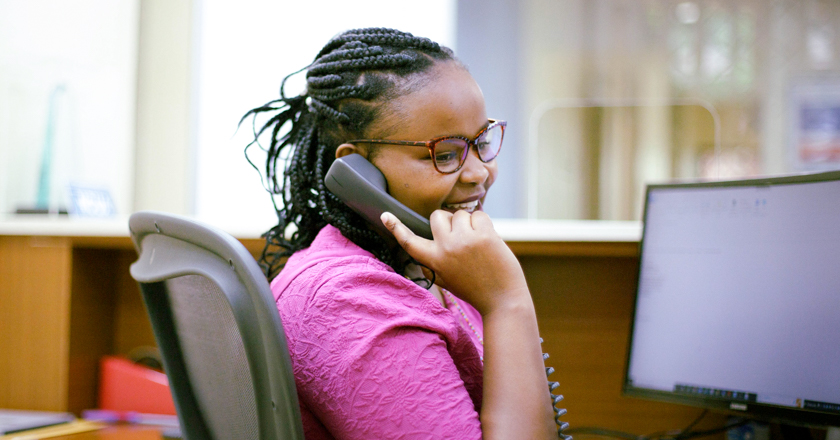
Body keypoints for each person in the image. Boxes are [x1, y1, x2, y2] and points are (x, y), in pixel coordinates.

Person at [243, 27, 559, 439]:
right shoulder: (348, 302)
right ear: (358, 169)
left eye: (482, 141)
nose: (480, 172)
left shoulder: (431, 264)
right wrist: (507, 303)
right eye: (445, 154)